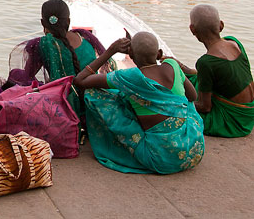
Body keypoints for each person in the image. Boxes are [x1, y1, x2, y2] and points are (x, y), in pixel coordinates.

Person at [75, 32, 204, 174]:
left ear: (130, 55)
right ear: (159, 53)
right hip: (194, 150)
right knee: (183, 103)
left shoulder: (129, 77)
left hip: (160, 159)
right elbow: (192, 96)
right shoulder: (172, 65)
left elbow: (80, 81)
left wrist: (110, 51)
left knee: (94, 94)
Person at [6, 0, 106, 116]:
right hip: (94, 97)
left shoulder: (42, 44)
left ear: (43, 23)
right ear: (68, 21)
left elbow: (28, 76)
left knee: (15, 74)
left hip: (63, 103)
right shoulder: (85, 35)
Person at [183, 4, 254, 137]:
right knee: (191, 79)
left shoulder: (206, 62)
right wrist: (184, 68)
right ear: (221, 25)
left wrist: (181, 104)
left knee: (174, 107)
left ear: (193, 29)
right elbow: (223, 76)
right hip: (249, 113)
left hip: (234, 122)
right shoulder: (234, 42)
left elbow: (205, 107)